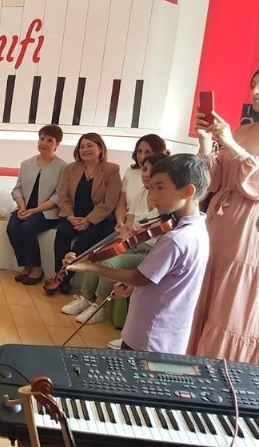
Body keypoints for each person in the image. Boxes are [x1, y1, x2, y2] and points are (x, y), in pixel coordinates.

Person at [66, 154, 210, 354]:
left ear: (188, 191)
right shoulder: (197, 229)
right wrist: (133, 287)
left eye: (160, 188)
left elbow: (139, 277)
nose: (153, 196)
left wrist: (89, 266)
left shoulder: (175, 239)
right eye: (152, 188)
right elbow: (163, 277)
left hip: (150, 334)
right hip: (166, 333)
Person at [188, 69, 259, 363]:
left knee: (230, 299)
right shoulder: (244, 130)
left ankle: (222, 369)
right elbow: (213, 182)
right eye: (254, 85)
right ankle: (194, 360)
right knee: (210, 286)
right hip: (220, 221)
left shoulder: (236, 136)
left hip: (249, 226)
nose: (256, 92)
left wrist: (230, 143)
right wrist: (206, 142)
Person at [67, 151, 169, 326]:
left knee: (109, 263)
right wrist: (126, 229)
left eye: (151, 170)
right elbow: (130, 222)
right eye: (144, 169)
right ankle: (85, 298)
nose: (146, 174)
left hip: (150, 251)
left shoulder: (166, 201)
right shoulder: (141, 194)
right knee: (98, 254)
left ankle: (99, 307)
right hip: (134, 244)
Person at [47, 133, 121, 294]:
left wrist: (88, 220)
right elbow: (63, 196)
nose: (85, 150)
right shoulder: (70, 168)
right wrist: (70, 216)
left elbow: (110, 202)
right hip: (73, 215)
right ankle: (59, 273)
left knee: (85, 240)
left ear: (100, 148)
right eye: (82, 147)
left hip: (99, 219)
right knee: (62, 233)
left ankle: (63, 278)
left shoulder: (111, 169)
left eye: (89, 146)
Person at [6, 125, 67, 285]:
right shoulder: (26, 163)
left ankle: (37, 268)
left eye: (50, 140)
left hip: (47, 212)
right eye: (42, 139)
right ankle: (27, 265)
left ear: (57, 144)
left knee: (27, 227)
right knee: (12, 226)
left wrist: (35, 210)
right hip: (24, 208)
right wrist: (22, 207)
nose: (44, 143)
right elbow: (17, 189)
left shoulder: (62, 167)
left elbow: (59, 195)